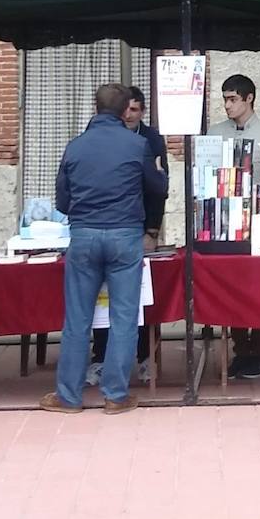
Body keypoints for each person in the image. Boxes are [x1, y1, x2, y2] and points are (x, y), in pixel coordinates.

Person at [41, 83, 167, 415]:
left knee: (77, 319)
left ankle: (68, 396)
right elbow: (159, 188)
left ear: (95, 107)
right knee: (123, 317)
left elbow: (64, 201)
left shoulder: (75, 147)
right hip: (125, 237)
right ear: (126, 109)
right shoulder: (137, 144)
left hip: (83, 236)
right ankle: (115, 395)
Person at [87, 86, 166, 387]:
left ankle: (146, 357)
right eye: (127, 109)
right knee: (104, 300)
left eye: (136, 110)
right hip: (110, 227)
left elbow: (159, 189)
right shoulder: (96, 136)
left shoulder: (151, 139)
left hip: (141, 225)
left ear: (142, 111)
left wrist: (153, 231)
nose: (130, 115)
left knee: (141, 298)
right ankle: (100, 358)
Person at [207, 74, 260, 380]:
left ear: (249, 98)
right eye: (225, 99)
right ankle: (240, 348)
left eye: (233, 99)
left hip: (256, 222)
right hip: (224, 222)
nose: (227, 105)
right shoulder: (215, 133)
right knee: (231, 286)